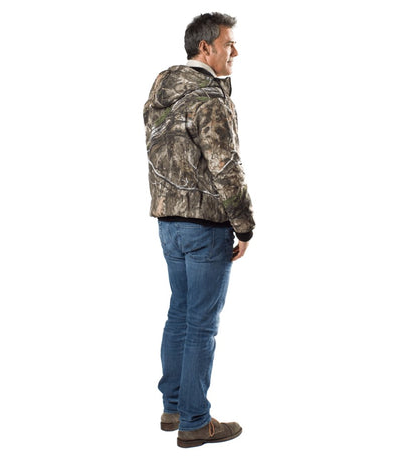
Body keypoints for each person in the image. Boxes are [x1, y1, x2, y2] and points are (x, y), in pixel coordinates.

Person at [143, 12, 255, 448]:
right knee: (201, 325)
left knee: (180, 314)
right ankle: (194, 421)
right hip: (205, 226)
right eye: (228, 44)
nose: (235, 51)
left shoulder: (163, 92)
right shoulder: (208, 99)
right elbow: (225, 167)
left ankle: (173, 407)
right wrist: (244, 226)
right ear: (205, 47)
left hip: (169, 224)